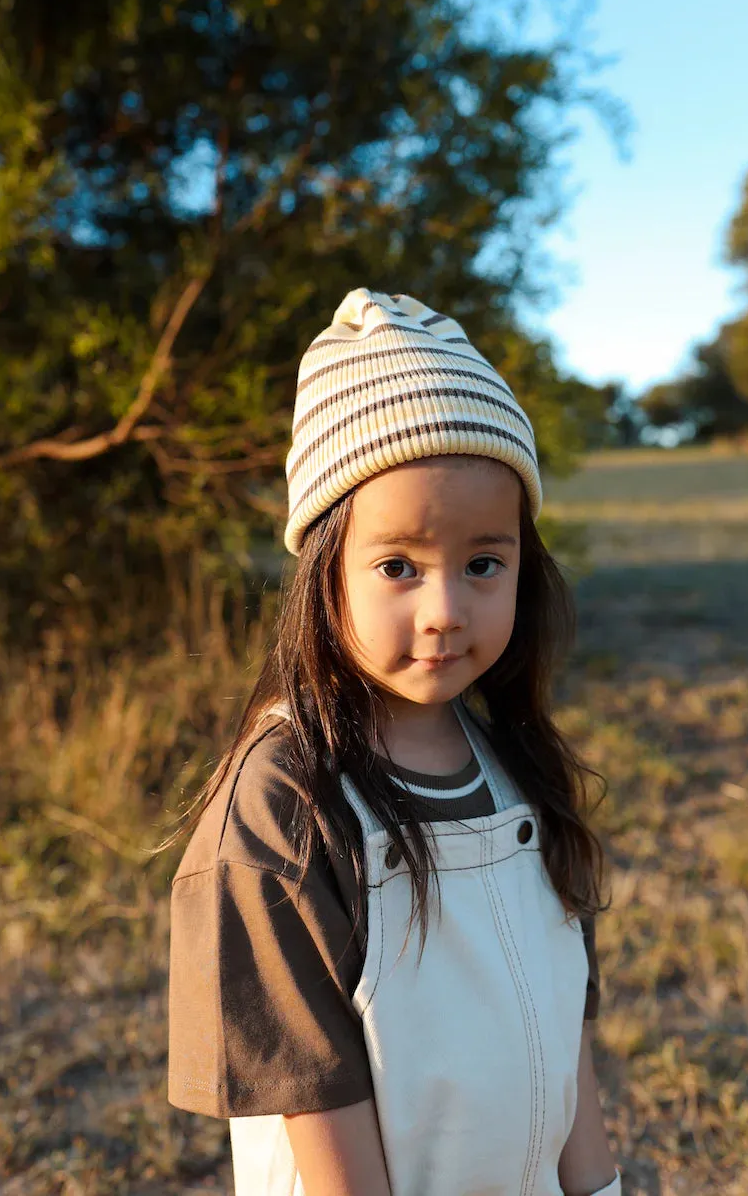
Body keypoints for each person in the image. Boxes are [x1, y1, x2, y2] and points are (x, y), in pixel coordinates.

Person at [165, 288, 623, 1195]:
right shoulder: (284, 805)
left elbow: (563, 1030)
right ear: (323, 572)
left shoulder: (515, 767)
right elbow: (313, 1097)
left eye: (483, 564)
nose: (447, 611)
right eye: (398, 567)